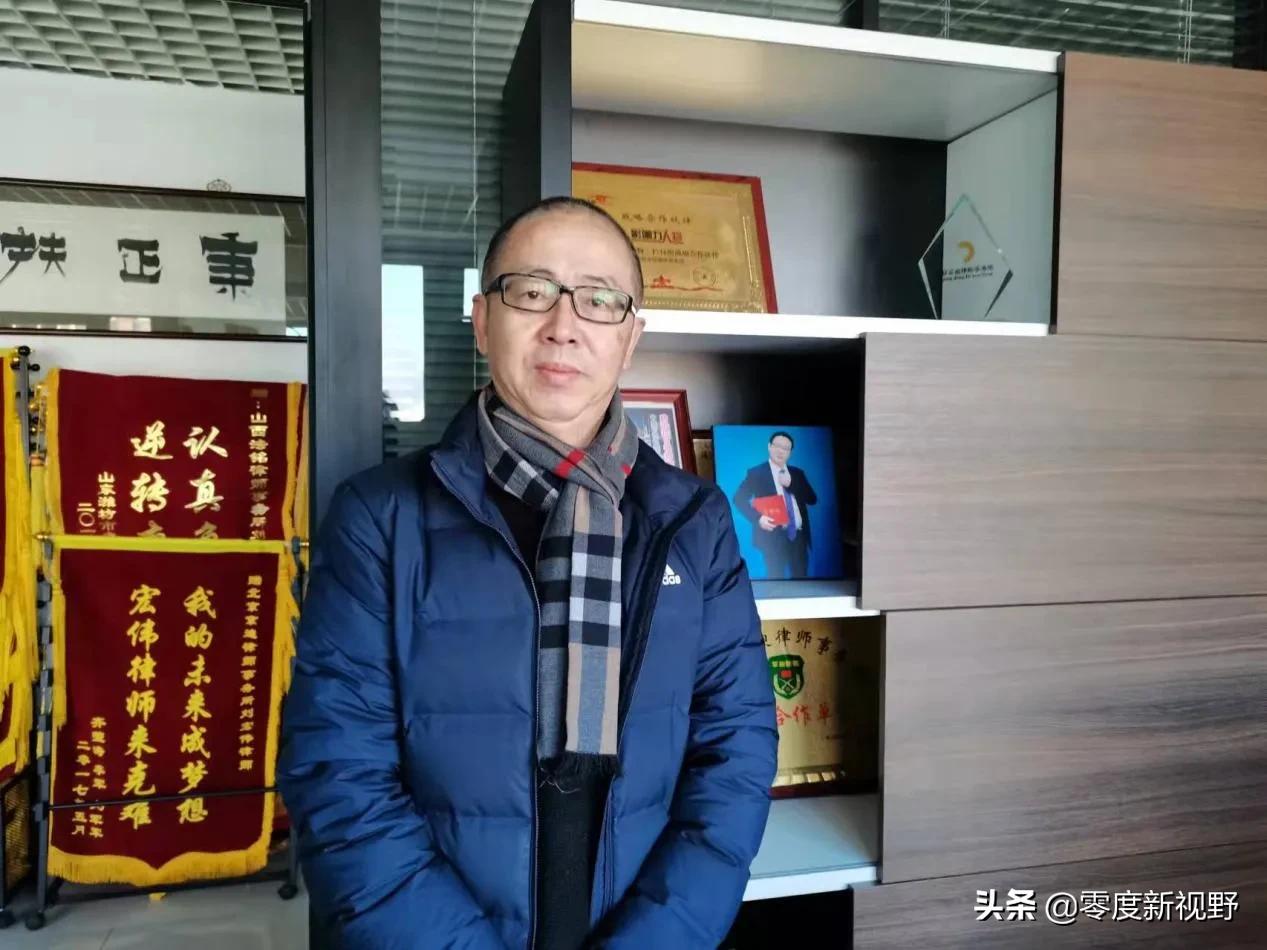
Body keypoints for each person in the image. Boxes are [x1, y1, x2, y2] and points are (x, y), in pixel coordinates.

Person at [279, 196, 778, 950]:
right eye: (532, 291)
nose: (563, 325)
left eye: (599, 300)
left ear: (630, 337)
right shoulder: (379, 517)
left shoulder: (692, 520)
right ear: (483, 321)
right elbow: (338, 775)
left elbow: (735, 752)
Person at [732, 432, 818, 579]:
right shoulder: (756, 473)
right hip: (773, 538)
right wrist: (758, 518)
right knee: (776, 579)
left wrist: (791, 484)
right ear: (769, 447)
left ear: (790, 453)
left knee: (801, 580)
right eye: (777, 446)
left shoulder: (797, 473)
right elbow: (738, 499)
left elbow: (812, 499)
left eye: (785, 448)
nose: (781, 451)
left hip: (799, 538)